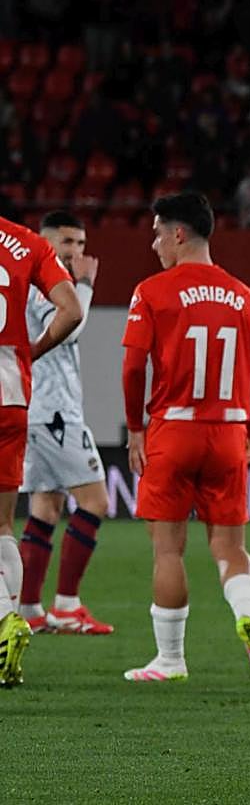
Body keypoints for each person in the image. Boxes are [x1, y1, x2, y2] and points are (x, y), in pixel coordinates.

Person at [121, 192, 250, 686]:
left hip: (174, 428)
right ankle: (248, 618)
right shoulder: (244, 295)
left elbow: (132, 368)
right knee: (231, 548)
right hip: (229, 431)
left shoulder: (153, 291)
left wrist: (133, 429)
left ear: (178, 233)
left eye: (157, 233)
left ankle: (170, 660)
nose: (153, 244)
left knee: (168, 550)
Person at [17, 211, 113, 635]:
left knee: (45, 508)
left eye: (80, 243)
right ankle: (68, 606)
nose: (76, 252)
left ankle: (30, 610)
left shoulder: (35, 281)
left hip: (37, 409)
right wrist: (86, 284)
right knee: (95, 502)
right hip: (55, 414)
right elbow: (71, 328)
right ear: (46, 243)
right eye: (67, 243)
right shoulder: (44, 282)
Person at [0, 215, 82, 687]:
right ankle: (10, 625)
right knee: (2, 526)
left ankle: (5, 623)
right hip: (11, 397)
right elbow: (71, 309)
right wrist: (30, 351)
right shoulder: (28, 243)